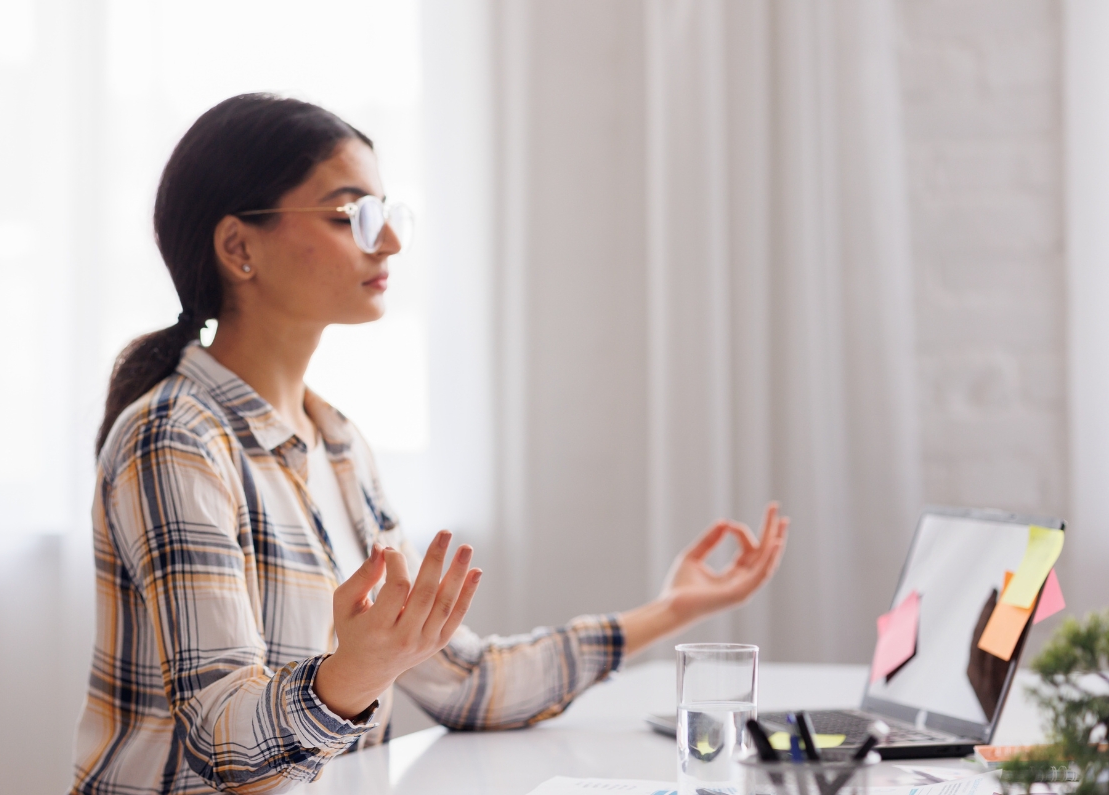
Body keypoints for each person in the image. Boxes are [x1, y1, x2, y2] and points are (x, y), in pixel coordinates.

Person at [70, 93, 789, 795]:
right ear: (238, 246)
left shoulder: (337, 444)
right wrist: (349, 674)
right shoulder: (174, 439)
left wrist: (673, 608)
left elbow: (466, 682)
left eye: (387, 212)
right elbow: (227, 746)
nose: (389, 241)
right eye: (352, 213)